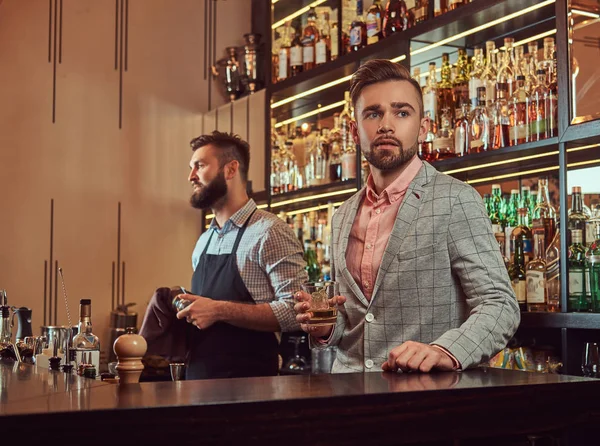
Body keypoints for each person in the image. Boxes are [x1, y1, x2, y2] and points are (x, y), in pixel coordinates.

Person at [294, 60, 520, 374]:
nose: (386, 124)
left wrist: (444, 351)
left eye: (402, 112)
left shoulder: (455, 199)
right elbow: (354, 318)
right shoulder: (342, 216)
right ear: (354, 128)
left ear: (423, 127)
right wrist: (323, 326)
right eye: (373, 113)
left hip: (422, 398)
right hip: (346, 396)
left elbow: (500, 305)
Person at [140, 131, 306, 380]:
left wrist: (219, 310)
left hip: (251, 389)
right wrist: (179, 304)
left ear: (231, 169)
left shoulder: (270, 231)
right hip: (197, 383)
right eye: (191, 167)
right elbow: (206, 313)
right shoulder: (204, 241)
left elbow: (296, 311)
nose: (191, 176)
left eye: (200, 165)